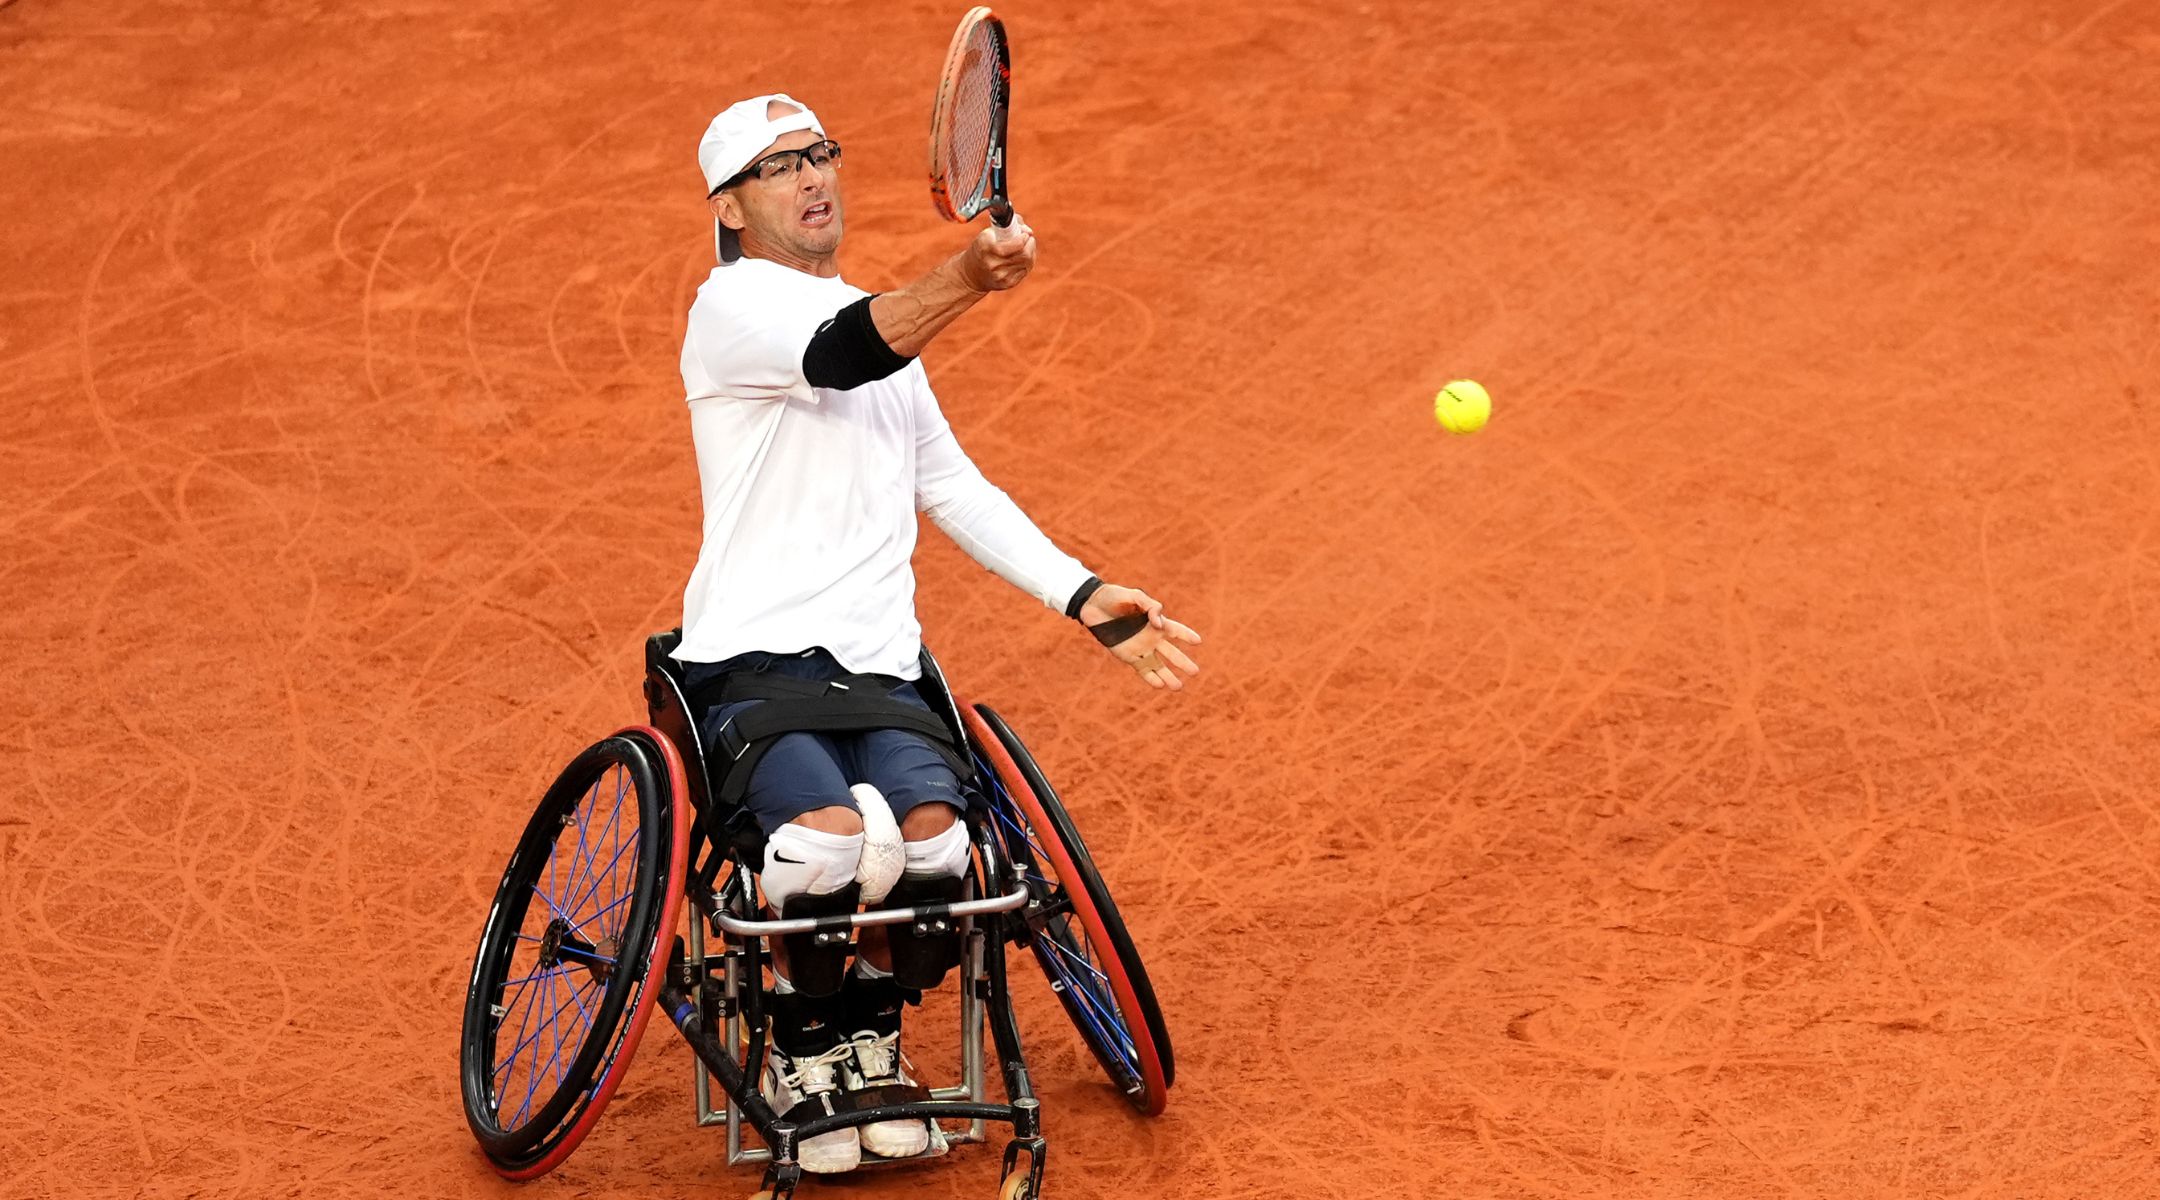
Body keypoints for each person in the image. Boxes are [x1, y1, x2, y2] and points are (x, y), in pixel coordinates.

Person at [675, 94, 1201, 1174]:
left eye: (822, 154)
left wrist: (1078, 590)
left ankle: (871, 1045)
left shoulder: (882, 320)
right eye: (779, 168)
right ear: (731, 207)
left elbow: (949, 484)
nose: (813, 177)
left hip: (881, 663)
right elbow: (842, 354)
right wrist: (970, 276)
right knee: (822, 847)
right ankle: (806, 1048)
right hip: (754, 660)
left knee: (936, 854)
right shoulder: (732, 310)